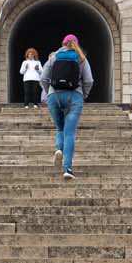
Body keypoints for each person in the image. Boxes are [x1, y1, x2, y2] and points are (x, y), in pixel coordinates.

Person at [42, 35, 92, 179]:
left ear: (63, 43)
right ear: (77, 44)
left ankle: (59, 149)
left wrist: (49, 92)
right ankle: (67, 169)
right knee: (69, 133)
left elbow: (43, 78)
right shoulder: (81, 58)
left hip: (54, 97)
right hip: (74, 96)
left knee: (60, 128)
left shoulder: (54, 57)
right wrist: (83, 94)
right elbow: (89, 80)